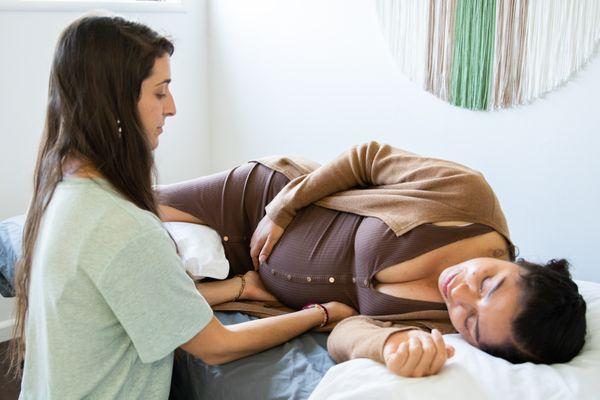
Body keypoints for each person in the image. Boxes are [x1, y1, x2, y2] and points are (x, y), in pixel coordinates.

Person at [8, 15, 356, 399]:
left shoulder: (62, 192)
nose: (171, 108)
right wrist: (320, 314)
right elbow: (215, 345)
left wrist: (239, 287)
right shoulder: (124, 227)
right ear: (117, 104)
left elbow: (142, 299)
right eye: (160, 93)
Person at [157, 141, 588, 378]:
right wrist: (280, 210)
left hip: (254, 285)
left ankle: (237, 288)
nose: (459, 296)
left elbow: (346, 331)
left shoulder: (439, 322)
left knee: (149, 290)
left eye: (471, 323)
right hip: (259, 200)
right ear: (522, 263)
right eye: (487, 282)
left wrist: (387, 345)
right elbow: (367, 158)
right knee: (125, 209)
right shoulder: (467, 197)